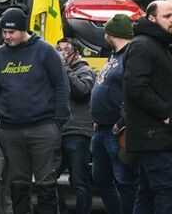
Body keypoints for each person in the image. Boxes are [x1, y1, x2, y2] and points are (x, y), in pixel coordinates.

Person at [0, 7, 70, 214]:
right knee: (17, 185)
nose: (7, 36)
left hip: (43, 128)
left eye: (11, 32)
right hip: (10, 131)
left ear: (23, 30)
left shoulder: (45, 51)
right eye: (4, 32)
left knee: (45, 184)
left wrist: (57, 123)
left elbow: (61, 86)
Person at [123, 1, 172, 213]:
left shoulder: (158, 45)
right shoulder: (143, 45)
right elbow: (135, 85)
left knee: (148, 193)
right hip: (154, 137)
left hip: (159, 137)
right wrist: (164, 111)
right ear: (151, 18)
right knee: (168, 191)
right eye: (167, 16)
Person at [90, 14, 137, 214]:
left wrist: (121, 122)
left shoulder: (130, 55)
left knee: (124, 180)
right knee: (100, 177)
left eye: (106, 31)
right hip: (100, 129)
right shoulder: (113, 55)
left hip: (116, 130)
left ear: (113, 33)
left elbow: (135, 91)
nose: (104, 35)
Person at [55, 38, 94, 214]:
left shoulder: (85, 70)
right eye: (59, 50)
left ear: (76, 54)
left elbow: (82, 90)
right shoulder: (57, 72)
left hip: (78, 134)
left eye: (66, 50)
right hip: (59, 134)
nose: (62, 54)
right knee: (47, 178)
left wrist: (64, 69)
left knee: (80, 181)